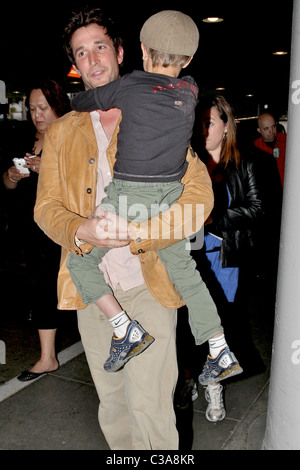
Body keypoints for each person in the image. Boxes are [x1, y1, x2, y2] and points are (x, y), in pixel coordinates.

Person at [34, 6, 214, 450]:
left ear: (120, 51)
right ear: (74, 66)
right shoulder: (61, 134)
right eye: (81, 53)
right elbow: (46, 209)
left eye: (99, 47)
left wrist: (141, 233)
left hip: (147, 280)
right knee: (112, 406)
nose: (92, 60)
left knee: (150, 407)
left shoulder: (159, 110)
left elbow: (199, 199)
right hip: (92, 292)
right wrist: (81, 230)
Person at [66, 10, 242, 385]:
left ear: (140, 50)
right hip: (170, 194)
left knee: (80, 262)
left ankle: (123, 329)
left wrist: (71, 99)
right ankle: (219, 346)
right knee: (187, 274)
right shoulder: (191, 91)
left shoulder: (129, 86)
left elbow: (88, 100)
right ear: (189, 60)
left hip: (131, 193)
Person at [192, 94, 264, 422]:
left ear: (226, 126)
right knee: (187, 322)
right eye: (201, 122)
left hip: (224, 256)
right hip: (188, 255)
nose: (205, 128)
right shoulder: (187, 160)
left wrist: (213, 219)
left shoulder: (244, 161)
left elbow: (255, 208)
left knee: (216, 324)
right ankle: (191, 375)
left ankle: (214, 385)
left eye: (211, 122)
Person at [2, 79, 71, 381]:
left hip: (57, 226)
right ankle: (48, 355)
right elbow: (5, 184)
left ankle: (47, 357)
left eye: (43, 107)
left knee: (47, 286)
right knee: (39, 285)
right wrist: (12, 176)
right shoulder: (27, 141)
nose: (37, 114)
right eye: (32, 108)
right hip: (28, 227)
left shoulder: (71, 139)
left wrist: (50, 170)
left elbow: (85, 185)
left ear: (58, 106)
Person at [254, 112, 286, 186]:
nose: (271, 131)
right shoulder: (255, 147)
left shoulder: (287, 140)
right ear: (259, 130)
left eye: (273, 126)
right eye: (266, 128)